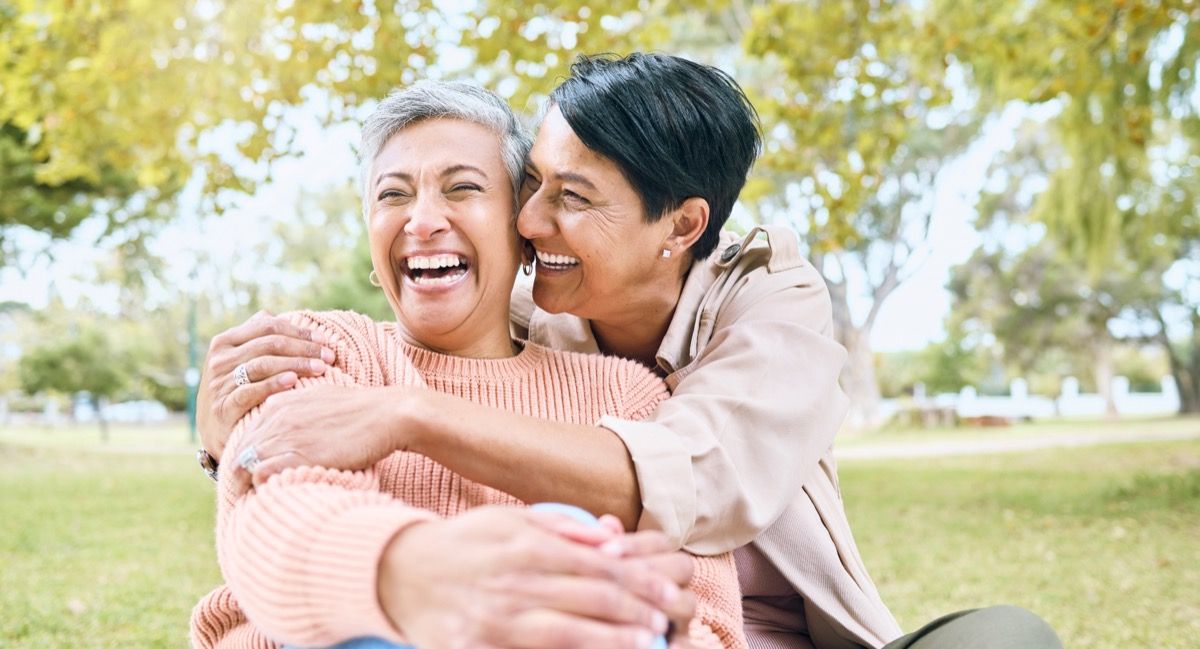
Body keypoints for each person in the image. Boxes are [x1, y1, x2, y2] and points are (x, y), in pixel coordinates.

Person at [197, 54, 1061, 649]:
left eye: (567, 198)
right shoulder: (447, 323)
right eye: (533, 186)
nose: (534, 223)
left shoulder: (768, 310)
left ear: (682, 225)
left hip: (759, 633)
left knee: (1005, 637)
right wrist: (229, 433)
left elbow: (690, 491)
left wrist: (407, 416)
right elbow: (295, 476)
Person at [189, 80, 746, 649]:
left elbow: (711, 621)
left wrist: (656, 626)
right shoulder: (326, 348)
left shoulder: (625, 396)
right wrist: (418, 576)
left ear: (522, 226)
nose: (423, 220)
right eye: (393, 195)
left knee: (582, 547)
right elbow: (277, 517)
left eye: (462, 188)